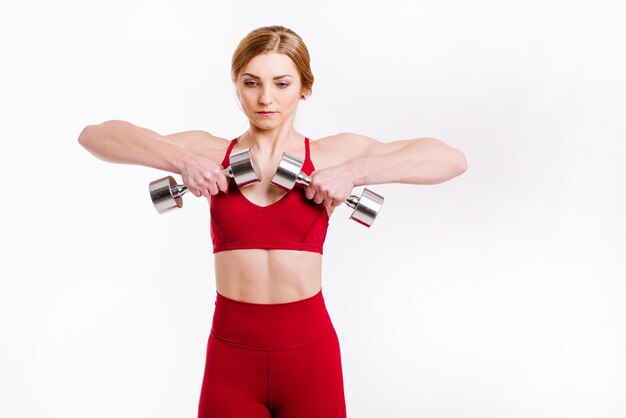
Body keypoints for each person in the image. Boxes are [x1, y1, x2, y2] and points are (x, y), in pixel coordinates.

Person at [78, 25, 467, 418]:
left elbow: (450, 159)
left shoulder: (333, 156)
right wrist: (183, 162)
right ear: (237, 86)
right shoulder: (209, 152)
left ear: (303, 87)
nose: (266, 98)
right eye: (252, 83)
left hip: (310, 360)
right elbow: (95, 136)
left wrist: (354, 173)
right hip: (232, 361)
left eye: (282, 83)